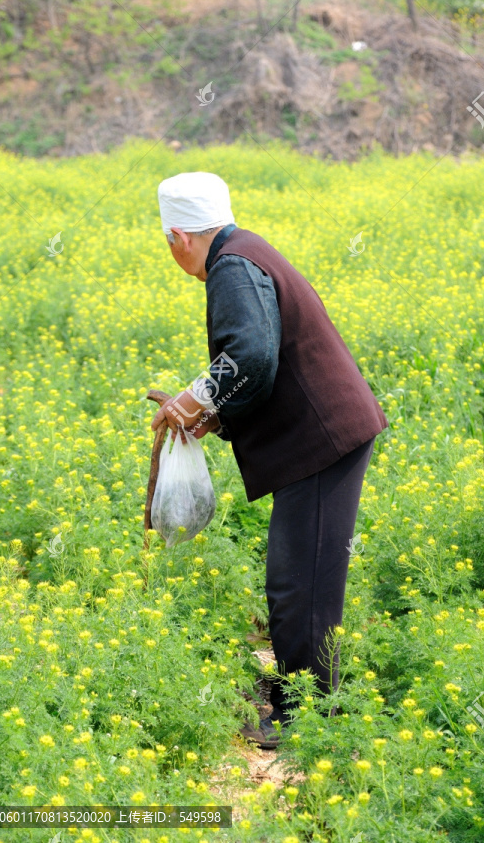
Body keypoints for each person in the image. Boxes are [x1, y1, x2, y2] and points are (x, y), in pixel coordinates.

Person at [151, 171, 389, 748]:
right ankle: (304, 695)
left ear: (177, 237)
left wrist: (194, 396)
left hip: (324, 437)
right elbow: (259, 365)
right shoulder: (243, 249)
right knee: (300, 576)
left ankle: (307, 717)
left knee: (299, 581)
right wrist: (216, 415)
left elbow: (251, 356)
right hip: (325, 434)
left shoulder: (232, 266)